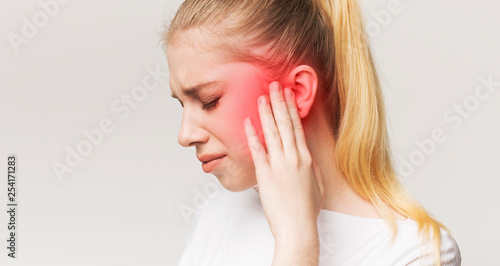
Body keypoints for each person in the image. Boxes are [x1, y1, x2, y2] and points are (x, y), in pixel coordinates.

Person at [161, 0, 461, 265]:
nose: (185, 135)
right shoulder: (216, 213)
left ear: (298, 92)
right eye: (182, 105)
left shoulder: (415, 253)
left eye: (209, 101)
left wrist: (298, 246)